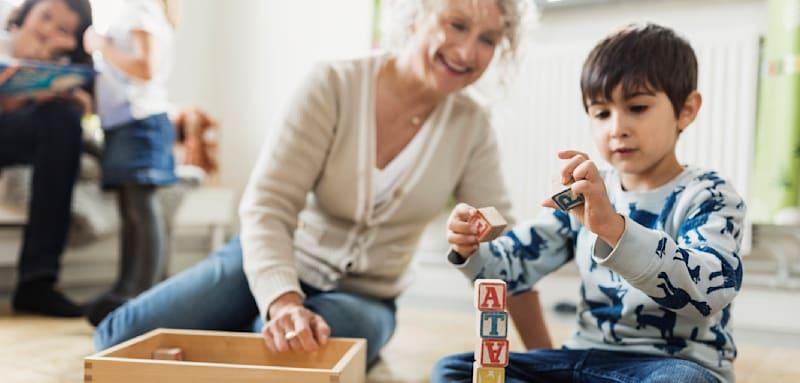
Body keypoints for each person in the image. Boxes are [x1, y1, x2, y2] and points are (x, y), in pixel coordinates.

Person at [94, 0, 552, 367]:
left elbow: (505, 249)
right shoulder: (334, 84)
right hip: (276, 259)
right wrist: (282, 301)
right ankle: (249, 318)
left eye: (488, 39)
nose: (468, 52)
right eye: (457, 24)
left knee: (286, 355)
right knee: (121, 338)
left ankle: (244, 330)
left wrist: (546, 360)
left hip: (364, 298)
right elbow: (269, 205)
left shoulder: (473, 127)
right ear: (417, 13)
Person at [432, 23, 746, 383]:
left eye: (638, 107)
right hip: (583, 357)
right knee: (453, 370)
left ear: (686, 109)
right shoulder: (588, 192)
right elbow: (509, 271)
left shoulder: (710, 195)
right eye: (601, 113)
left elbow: (709, 292)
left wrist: (614, 228)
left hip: (670, 365)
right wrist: (470, 248)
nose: (617, 128)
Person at [81, 0, 180, 325]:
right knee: (130, 213)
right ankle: (125, 290)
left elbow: (144, 67)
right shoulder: (128, 10)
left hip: (140, 121)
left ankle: (144, 295)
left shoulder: (140, 8)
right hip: (123, 123)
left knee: (142, 209)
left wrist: (101, 45)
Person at [0, 0, 93, 317]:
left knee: (64, 119)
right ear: (27, 13)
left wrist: (76, 101)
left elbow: (86, 117)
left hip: (27, 135)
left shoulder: (65, 70)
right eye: (46, 17)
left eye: (62, 29)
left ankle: (37, 282)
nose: (48, 30)